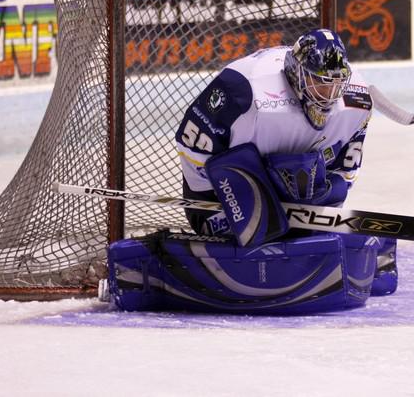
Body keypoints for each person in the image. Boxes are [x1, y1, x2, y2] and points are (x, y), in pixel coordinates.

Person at [104, 28, 398, 314]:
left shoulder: (356, 100)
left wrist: (325, 194)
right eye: (320, 83)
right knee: (254, 229)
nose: (328, 95)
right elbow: (190, 142)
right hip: (224, 191)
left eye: (335, 85)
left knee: (316, 193)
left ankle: (291, 224)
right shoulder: (244, 88)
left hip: (296, 184)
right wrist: (236, 199)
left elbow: (346, 166)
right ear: (297, 74)